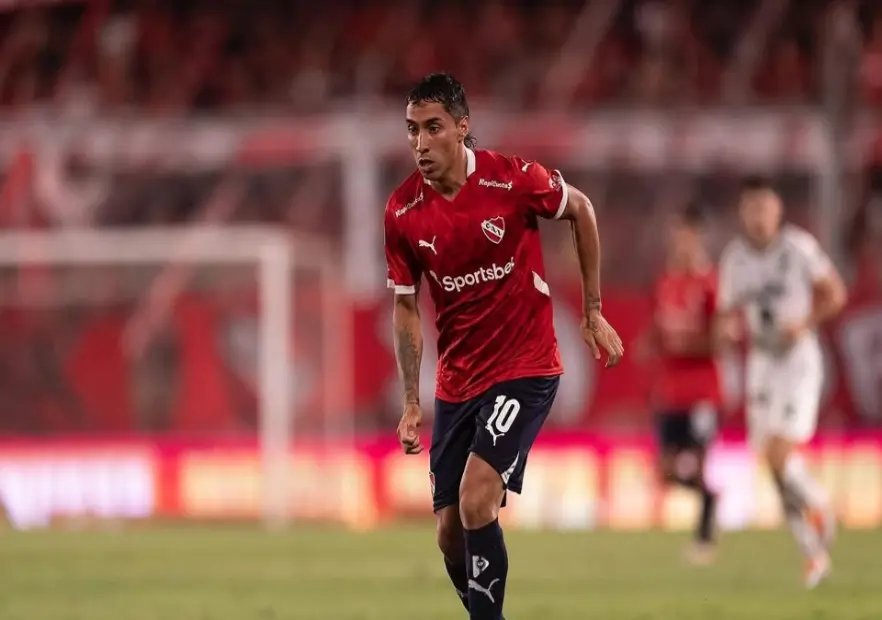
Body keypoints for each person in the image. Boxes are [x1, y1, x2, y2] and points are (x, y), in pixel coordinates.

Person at [384, 73, 623, 619]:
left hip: (525, 366)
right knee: (449, 534)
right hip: (457, 381)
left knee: (476, 499)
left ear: (461, 127)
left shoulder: (511, 179)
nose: (420, 142)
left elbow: (581, 209)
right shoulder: (402, 211)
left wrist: (592, 310)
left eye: (433, 128)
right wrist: (412, 401)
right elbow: (406, 307)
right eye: (412, 130)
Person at [717, 175, 846, 588]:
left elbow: (835, 294)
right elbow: (724, 314)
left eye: (765, 208)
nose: (759, 216)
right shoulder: (735, 258)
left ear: (778, 211)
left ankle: (820, 504)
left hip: (797, 359)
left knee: (778, 452)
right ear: (742, 213)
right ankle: (813, 555)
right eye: (751, 208)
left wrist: (804, 323)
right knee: (773, 467)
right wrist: (727, 331)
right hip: (761, 362)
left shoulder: (799, 248)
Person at [646, 203, 720, 564]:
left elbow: (720, 339)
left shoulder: (711, 283)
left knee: (698, 463)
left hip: (702, 390)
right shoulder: (666, 281)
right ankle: (709, 498)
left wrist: (684, 344)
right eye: (678, 235)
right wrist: (651, 344)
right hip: (671, 390)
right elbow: (660, 328)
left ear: (699, 238)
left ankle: (704, 538)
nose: (682, 243)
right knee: (664, 471)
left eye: (688, 235)